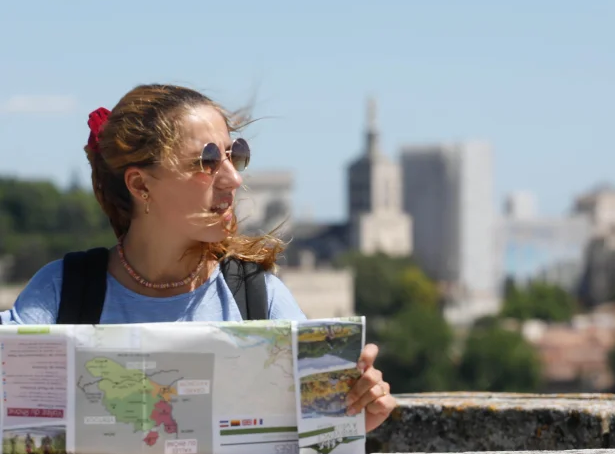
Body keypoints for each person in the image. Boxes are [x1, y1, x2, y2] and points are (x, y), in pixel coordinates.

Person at [1, 84, 395, 432]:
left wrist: (353, 411)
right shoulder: (61, 290)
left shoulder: (258, 295)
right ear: (140, 184)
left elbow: (317, 441)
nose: (234, 178)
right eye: (207, 161)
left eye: (233, 153)